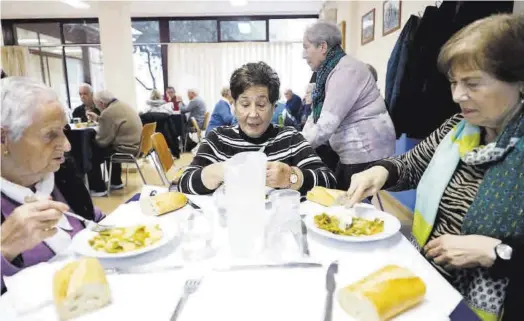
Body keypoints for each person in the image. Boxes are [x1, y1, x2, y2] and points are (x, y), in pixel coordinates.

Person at [345, 14, 524, 321]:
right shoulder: (459, 127)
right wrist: (381, 171)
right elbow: (410, 166)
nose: (457, 96)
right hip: (428, 281)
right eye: (454, 82)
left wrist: (495, 252)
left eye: (472, 83)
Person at [1, 77, 104, 294]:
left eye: (64, 131)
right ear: (3, 139)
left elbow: (89, 218)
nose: (66, 146)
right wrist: (4, 249)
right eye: (50, 135)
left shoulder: (59, 175)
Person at [176, 62, 336, 195]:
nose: (253, 114)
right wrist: (220, 171)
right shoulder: (218, 139)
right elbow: (184, 183)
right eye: (245, 104)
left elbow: (329, 181)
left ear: (274, 107)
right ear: (234, 105)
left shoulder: (290, 138)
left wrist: (291, 177)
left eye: (261, 105)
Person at [301, 20, 396, 190]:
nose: (303, 55)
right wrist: (300, 139)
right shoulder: (330, 70)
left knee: (342, 202)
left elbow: (325, 125)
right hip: (355, 151)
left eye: (306, 47)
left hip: (364, 152)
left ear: (322, 47)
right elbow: (317, 115)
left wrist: (294, 148)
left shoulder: (345, 71)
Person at [86, 91, 142, 196]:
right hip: (136, 146)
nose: (97, 107)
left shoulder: (108, 113)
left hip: (126, 149)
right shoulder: (121, 105)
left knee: (90, 152)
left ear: (102, 103)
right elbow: (113, 122)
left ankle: (98, 188)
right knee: (109, 147)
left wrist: (90, 140)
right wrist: (98, 119)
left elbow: (102, 141)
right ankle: (116, 182)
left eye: (96, 104)